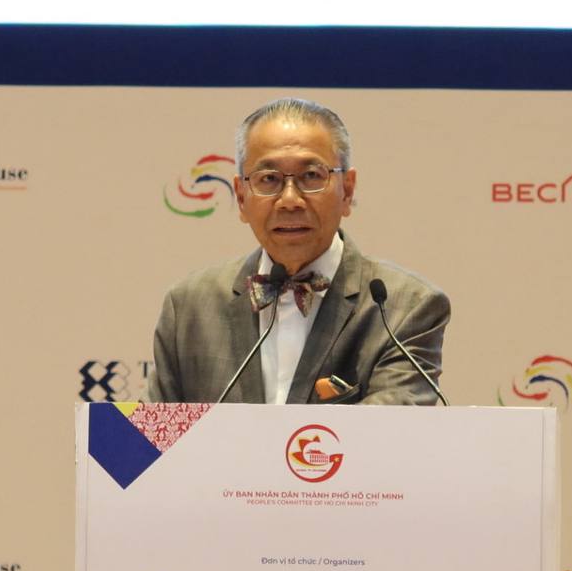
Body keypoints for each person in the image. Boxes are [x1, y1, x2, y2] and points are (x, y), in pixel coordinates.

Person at [146, 98, 450, 405]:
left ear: (347, 190)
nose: (290, 200)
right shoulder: (189, 309)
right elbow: (152, 433)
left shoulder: (404, 309)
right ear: (241, 197)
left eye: (311, 176)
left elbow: (391, 428)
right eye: (269, 179)